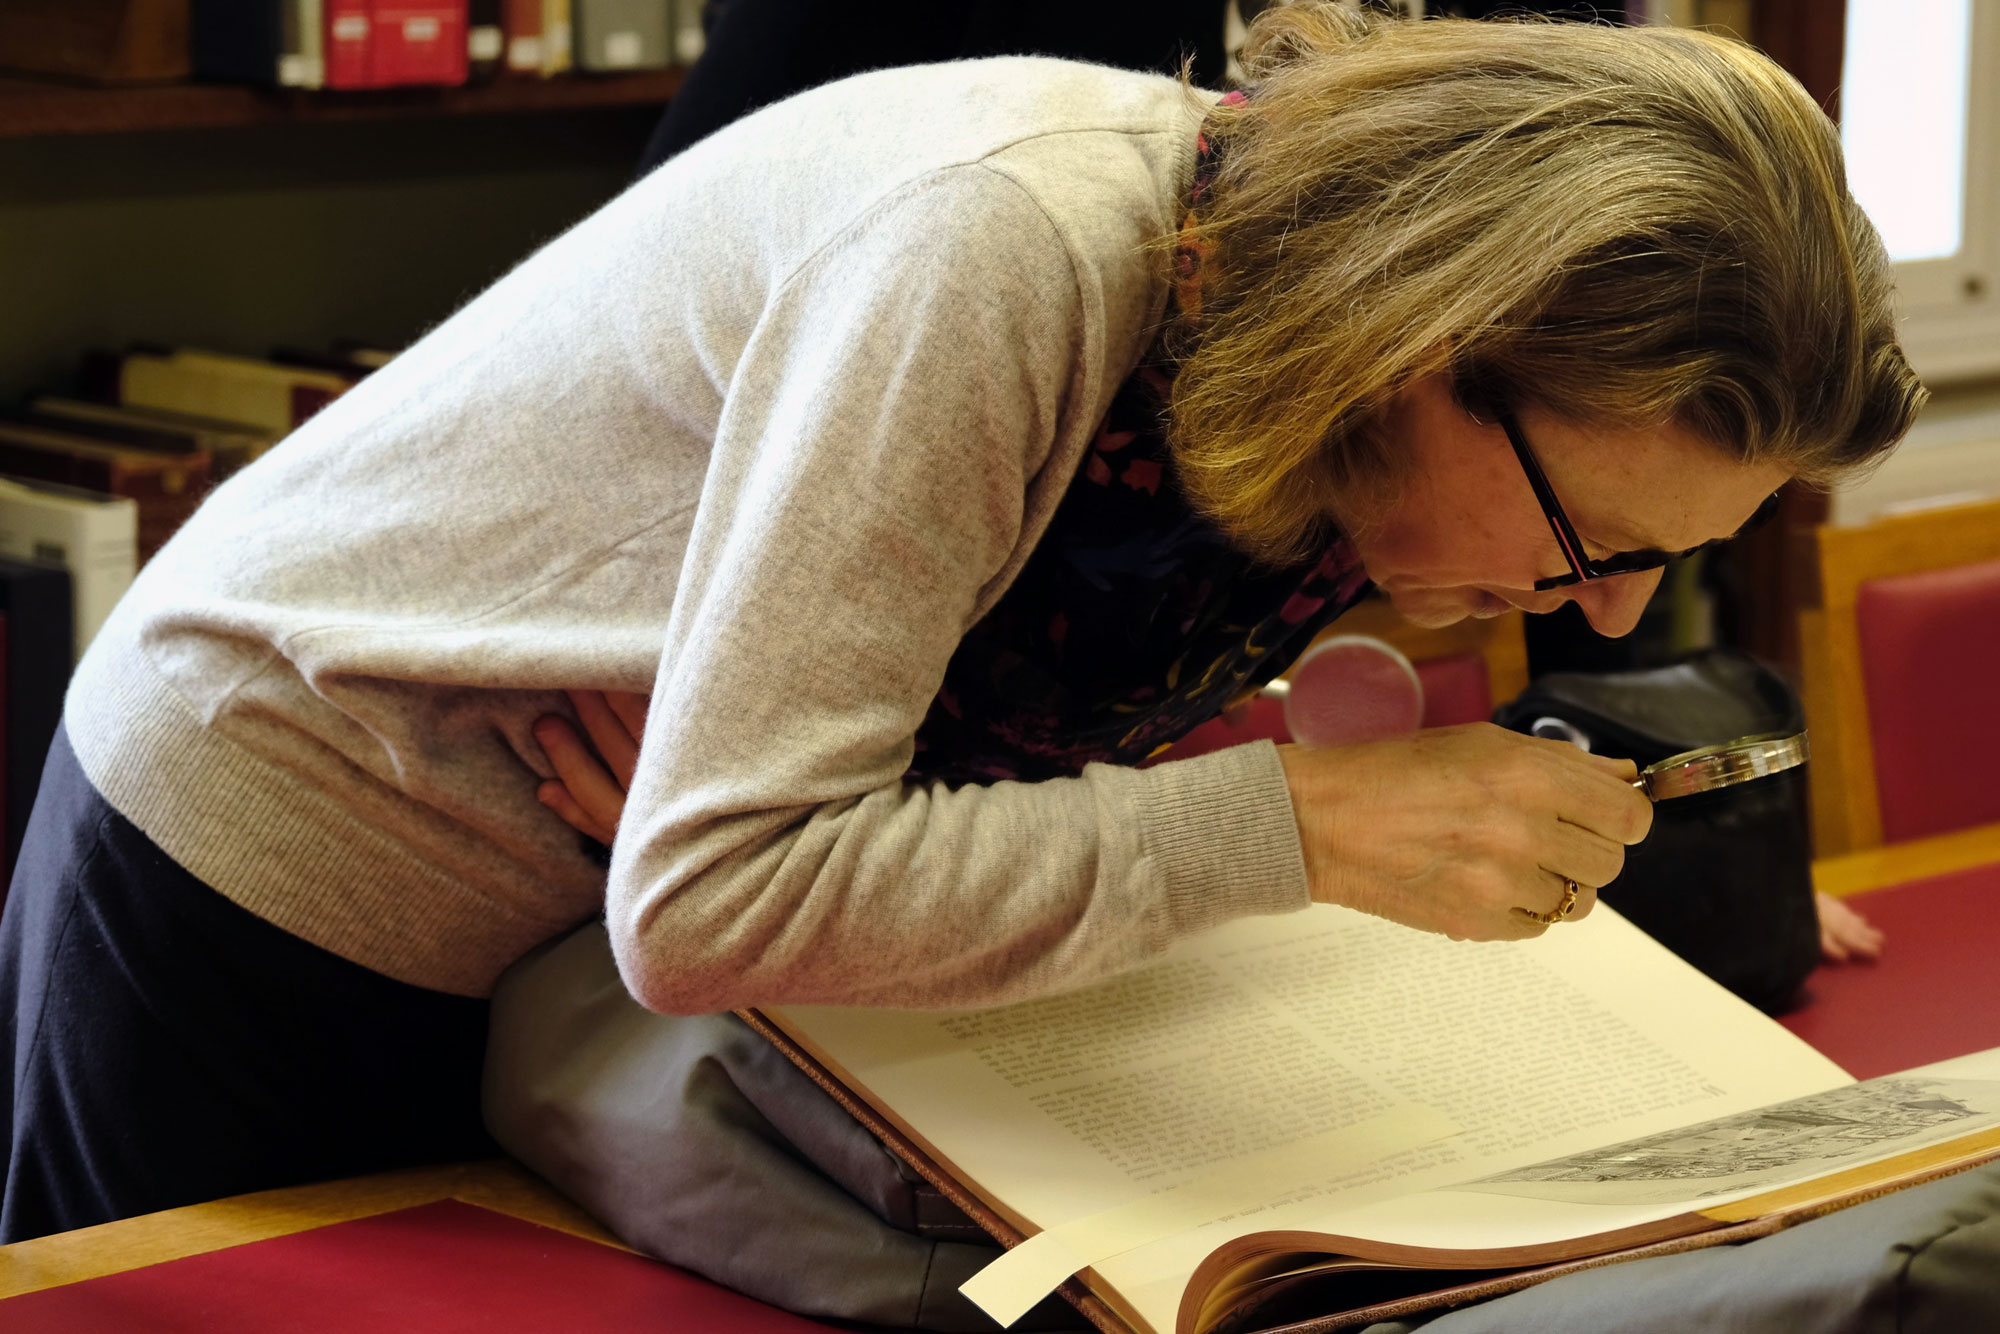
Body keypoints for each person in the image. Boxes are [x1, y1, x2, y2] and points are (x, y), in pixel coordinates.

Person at [0, 5, 1922, 1249]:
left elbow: (853, 796)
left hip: (566, 915)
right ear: (1429, 350)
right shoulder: (1001, 256)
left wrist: (786, 828)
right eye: (1595, 538)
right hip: (280, 857)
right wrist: (1310, 828)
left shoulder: (1341, 374)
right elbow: (724, 891)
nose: (1611, 607)